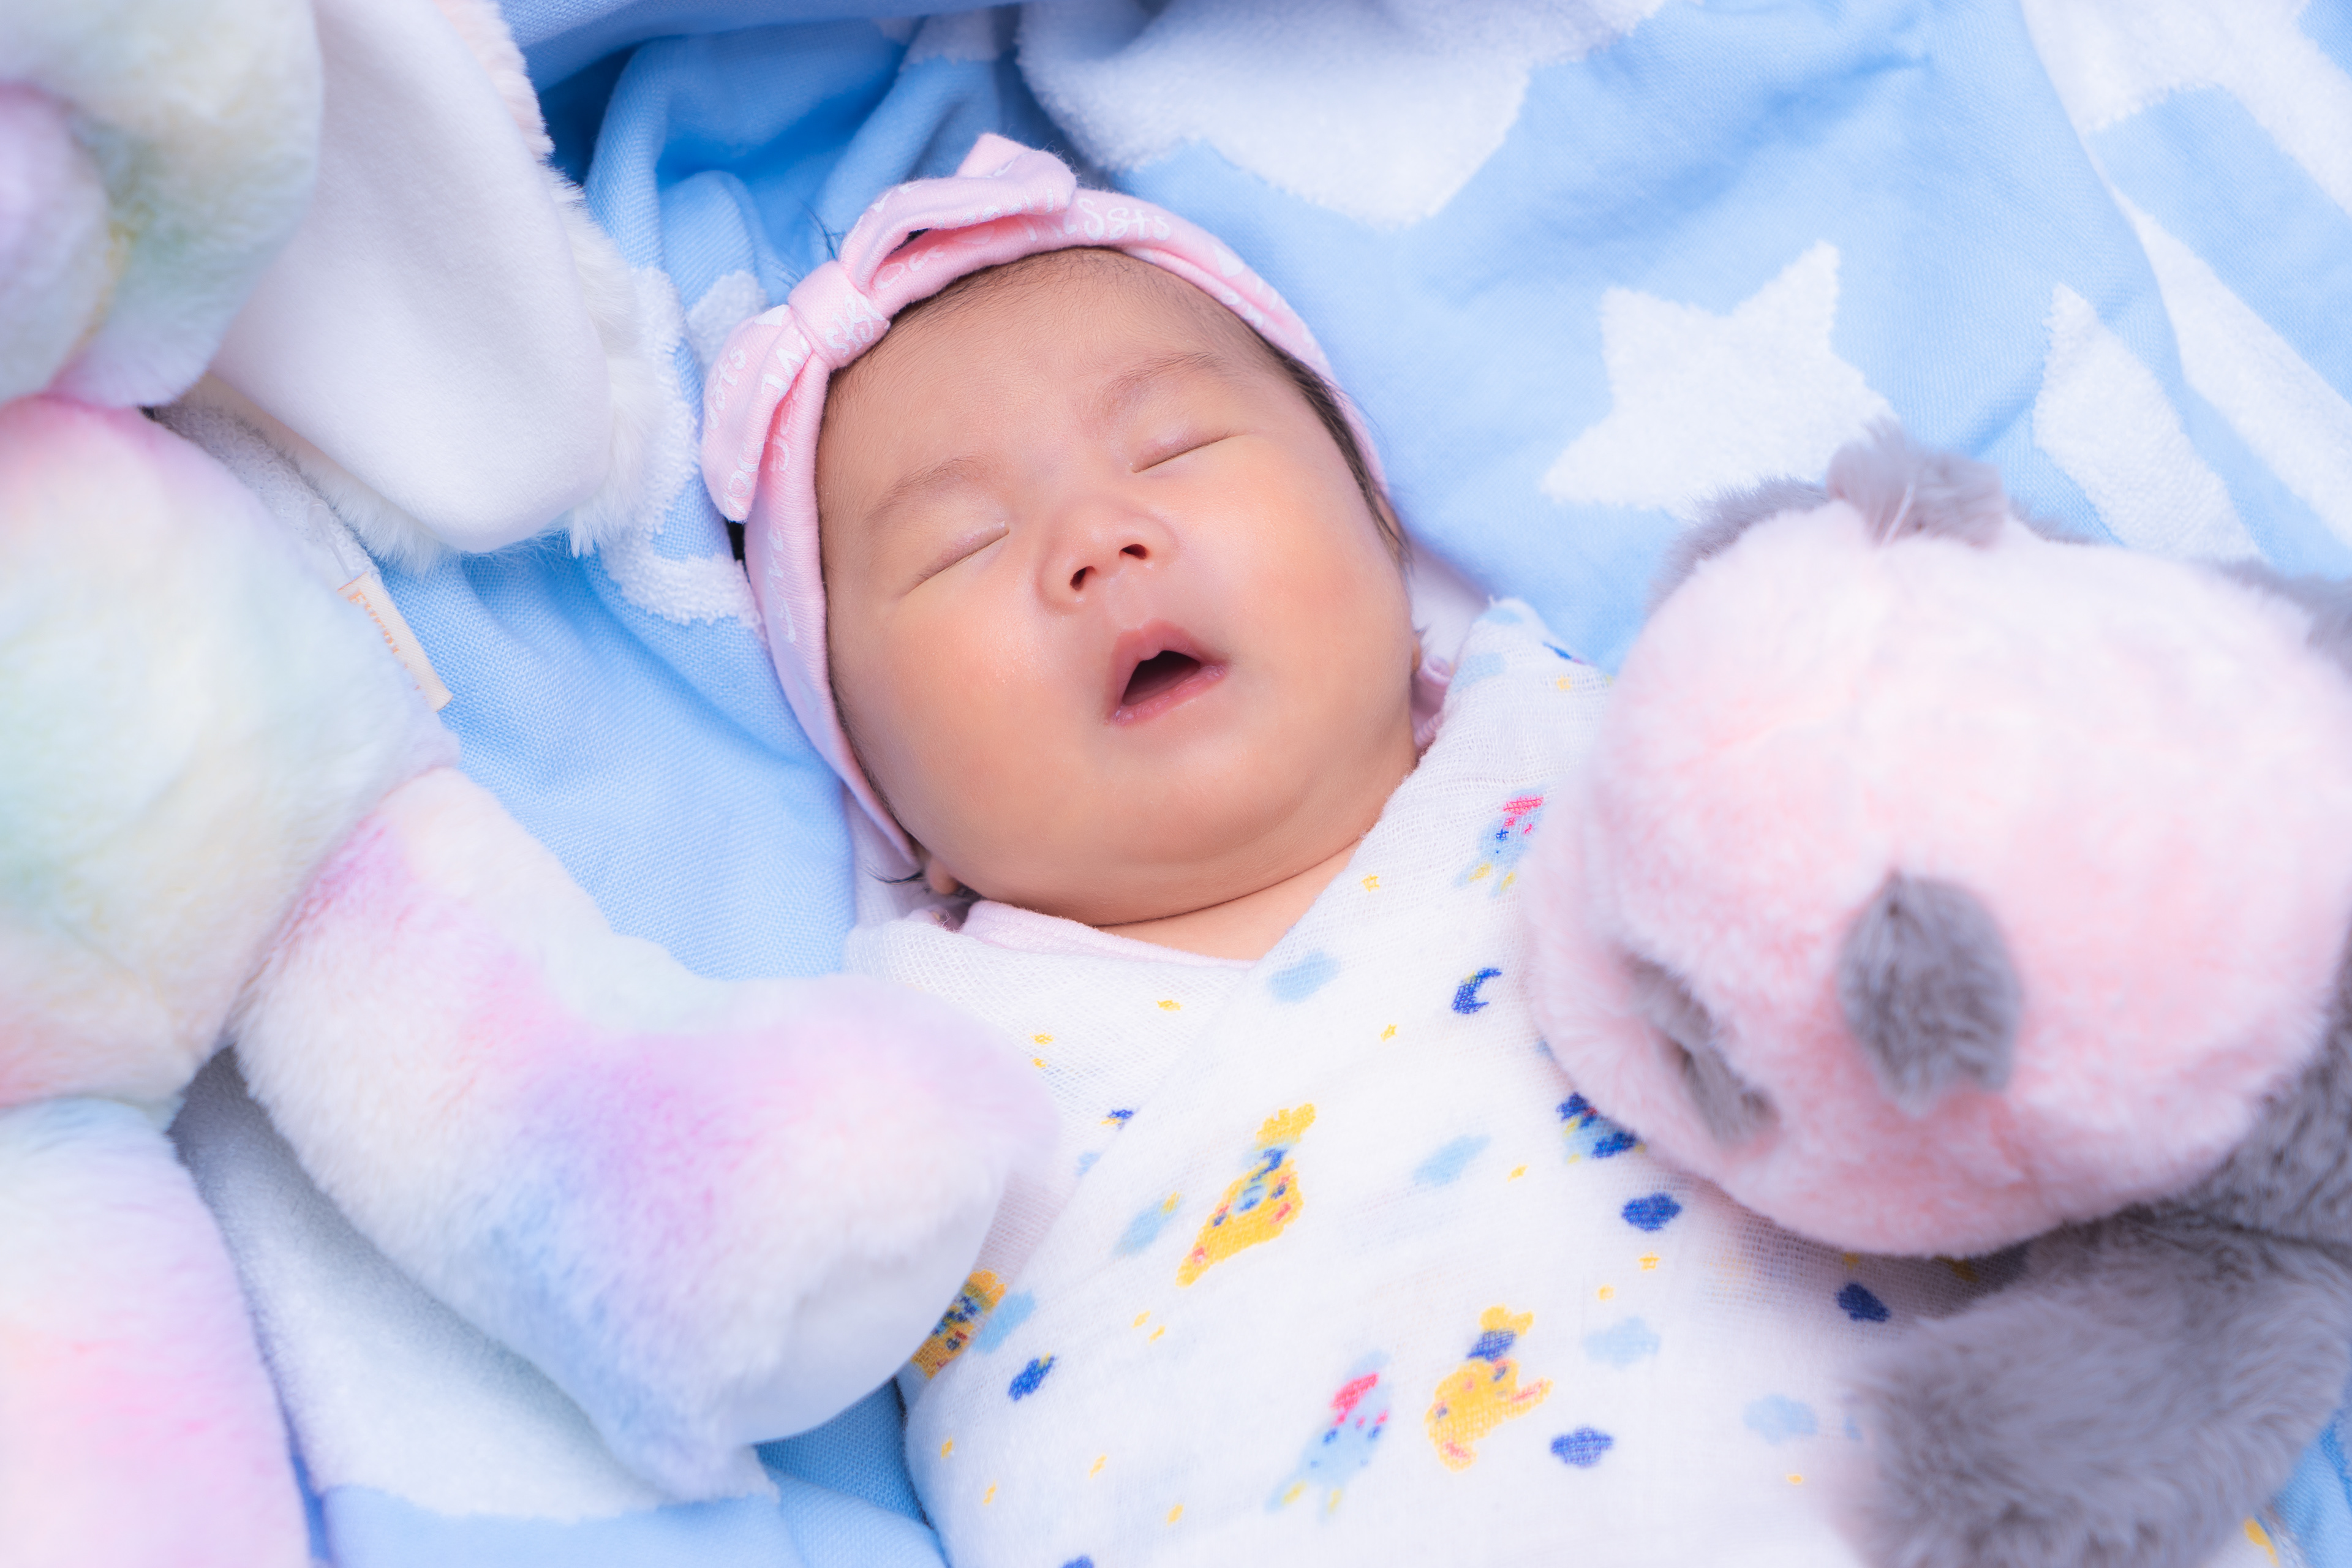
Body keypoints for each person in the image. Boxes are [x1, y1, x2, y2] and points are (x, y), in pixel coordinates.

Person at [702, 134, 1972, 1567]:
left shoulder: (1590, 739)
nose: (1099, 539)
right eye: (964, 543)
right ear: (892, 800)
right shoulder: (931, 1046)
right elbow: (723, 1287)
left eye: (1174, 448)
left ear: (1380, 530)